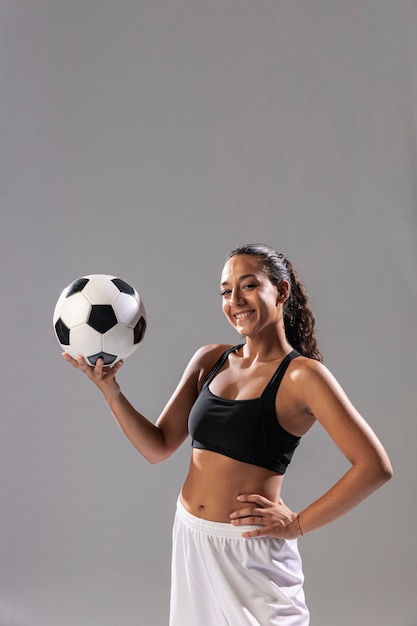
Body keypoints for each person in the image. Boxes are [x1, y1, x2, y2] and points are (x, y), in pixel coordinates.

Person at [63, 243, 393, 626]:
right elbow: (157, 447)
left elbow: (375, 466)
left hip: (250, 551)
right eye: (226, 290)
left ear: (281, 291)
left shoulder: (304, 376)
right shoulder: (210, 359)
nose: (235, 300)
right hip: (191, 536)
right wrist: (111, 392)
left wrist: (297, 524)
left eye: (249, 285)